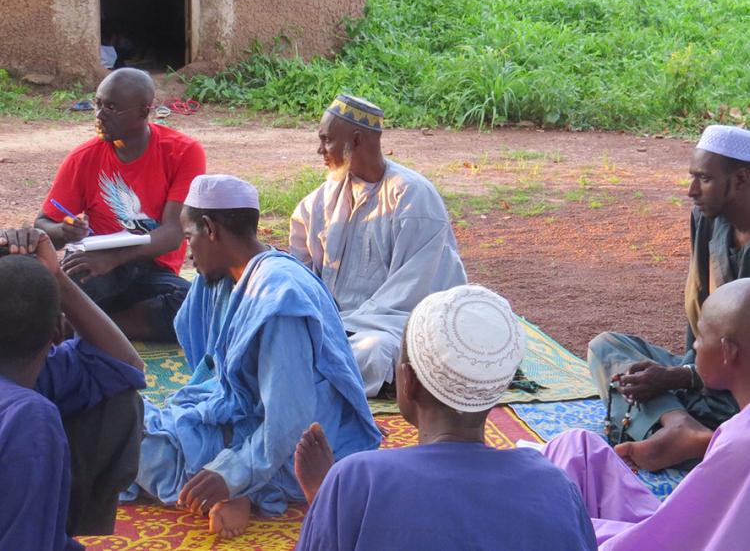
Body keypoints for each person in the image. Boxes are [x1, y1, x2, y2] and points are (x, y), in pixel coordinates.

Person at [131, 175, 382, 538]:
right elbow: (214, 376)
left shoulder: (277, 298)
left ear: (210, 229)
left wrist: (232, 473)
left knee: (129, 446)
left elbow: (290, 418)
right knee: (119, 417)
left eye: (190, 238)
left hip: (293, 449)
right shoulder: (224, 278)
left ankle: (251, 491)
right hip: (245, 423)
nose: (188, 253)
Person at [294, 285, 597, 551]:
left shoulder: (357, 479)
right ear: (501, 387)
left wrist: (324, 497)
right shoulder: (556, 486)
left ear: (408, 382)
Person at [543, 278, 750, 550]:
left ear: (728, 352)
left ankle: (679, 425)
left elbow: (681, 539)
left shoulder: (739, 444)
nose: (695, 347)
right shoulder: (738, 438)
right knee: (579, 446)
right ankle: (680, 425)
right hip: (707, 410)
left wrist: (573, 526)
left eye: (700, 336)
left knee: (556, 503)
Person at [587, 124, 750, 471]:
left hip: (742, 389)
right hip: (707, 371)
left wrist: (679, 378)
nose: (691, 190)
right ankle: (682, 427)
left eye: (704, 178)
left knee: (649, 391)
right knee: (607, 347)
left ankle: (682, 430)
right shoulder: (707, 221)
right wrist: (684, 371)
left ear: (740, 179)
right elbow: (701, 316)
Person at [290, 95, 467, 397]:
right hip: (335, 325)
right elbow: (302, 268)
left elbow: (414, 292)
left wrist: (343, 326)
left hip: (390, 325)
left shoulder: (413, 196)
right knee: (282, 332)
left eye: (327, 140)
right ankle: (313, 365)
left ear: (356, 140)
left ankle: (305, 370)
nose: (320, 151)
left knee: (376, 353)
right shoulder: (320, 200)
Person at [35, 67, 206, 342]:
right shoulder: (84, 157)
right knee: (59, 292)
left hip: (152, 266)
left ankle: (84, 327)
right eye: (98, 103)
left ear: (143, 111)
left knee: (193, 307)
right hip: (95, 266)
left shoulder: (182, 151)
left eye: (112, 108)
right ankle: (93, 321)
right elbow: (43, 224)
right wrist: (63, 231)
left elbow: (172, 234)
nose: (99, 115)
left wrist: (113, 258)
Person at [0, 228, 146, 550]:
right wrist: (60, 280)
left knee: (118, 399)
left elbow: (124, 369)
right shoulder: (29, 417)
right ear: (57, 332)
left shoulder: (35, 380)